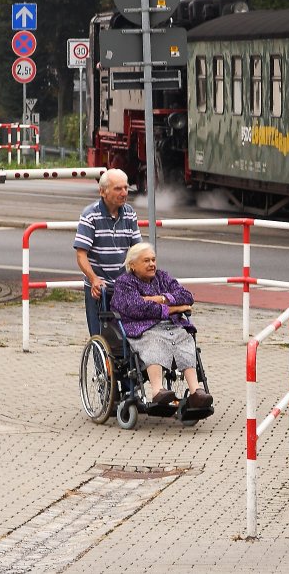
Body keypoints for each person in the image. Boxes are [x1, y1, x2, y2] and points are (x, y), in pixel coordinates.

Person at [110, 242, 214, 409]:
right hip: (142, 328)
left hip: (170, 326)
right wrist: (176, 308)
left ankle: (196, 392)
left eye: (153, 260)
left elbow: (187, 296)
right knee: (154, 341)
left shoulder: (163, 277)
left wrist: (159, 299)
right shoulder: (124, 283)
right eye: (146, 261)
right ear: (132, 265)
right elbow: (137, 308)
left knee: (185, 338)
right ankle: (157, 390)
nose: (152, 264)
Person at [74, 168, 141, 336]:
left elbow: (137, 250)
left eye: (126, 188)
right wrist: (94, 279)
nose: (124, 193)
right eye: (118, 188)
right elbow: (81, 255)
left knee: (127, 337)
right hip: (99, 288)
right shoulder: (90, 215)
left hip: (124, 287)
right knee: (100, 337)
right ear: (103, 191)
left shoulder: (130, 213)